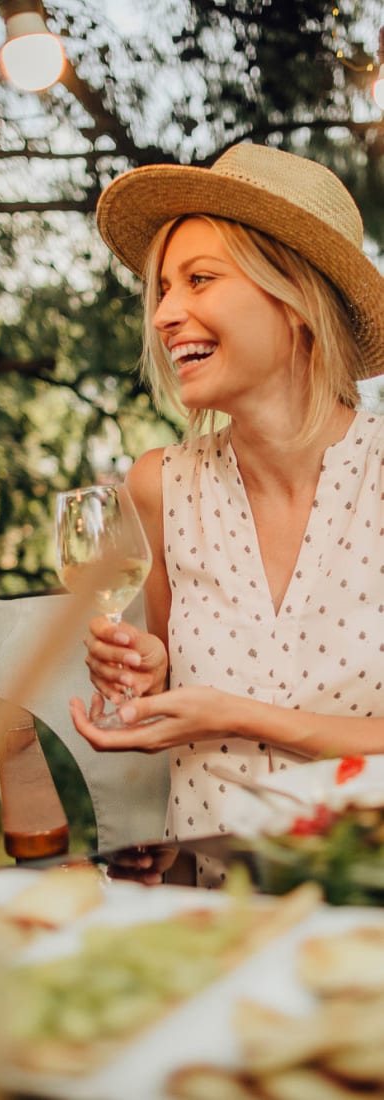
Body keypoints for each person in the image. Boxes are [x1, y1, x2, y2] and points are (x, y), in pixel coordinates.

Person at [69, 143, 384, 886]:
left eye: (200, 280)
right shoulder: (160, 487)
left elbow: (227, 709)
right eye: (162, 290)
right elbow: (176, 684)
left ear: (296, 298)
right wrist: (150, 676)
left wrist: (239, 715)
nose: (165, 315)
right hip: (215, 910)